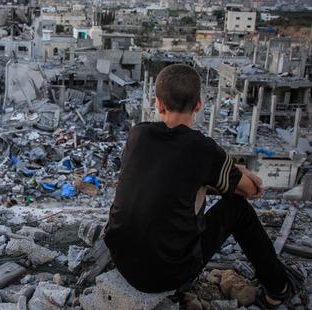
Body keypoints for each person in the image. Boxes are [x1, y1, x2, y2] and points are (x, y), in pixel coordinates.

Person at [103, 64, 303, 308]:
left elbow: (168, 178)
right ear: (198, 105)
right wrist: (239, 170)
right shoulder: (204, 151)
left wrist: (218, 175)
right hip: (166, 275)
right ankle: (278, 288)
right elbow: (251, 190)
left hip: (122, 259)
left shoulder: (138, 134)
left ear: (158, 103)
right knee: (237, 209)